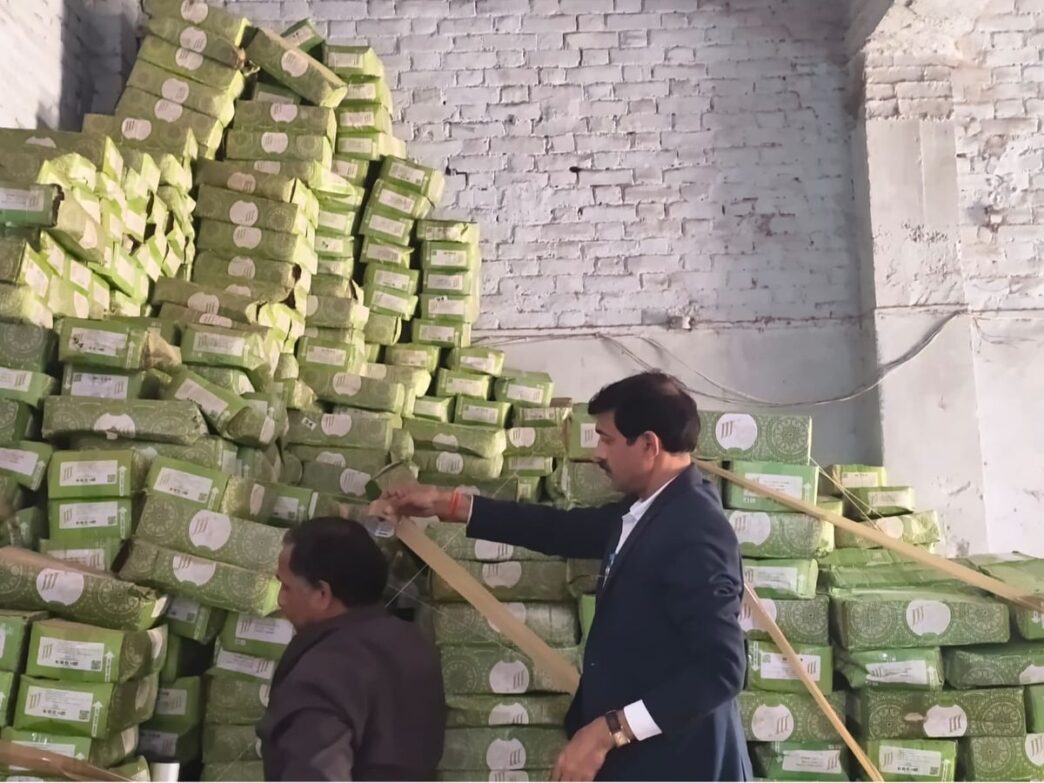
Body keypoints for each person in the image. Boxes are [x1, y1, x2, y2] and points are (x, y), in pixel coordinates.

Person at [379, 372, 752, 782]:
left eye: (607, 439)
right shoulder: (652, 509)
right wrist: (446, 503)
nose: (596, 453)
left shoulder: (695, 531)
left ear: (649, 445)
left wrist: (610, 731)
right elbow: (559, 529)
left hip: (680, 764)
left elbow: (722, 669)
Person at [257, 517, 446, 781]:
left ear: (322, 594)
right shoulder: (413, 643)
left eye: (286, 586)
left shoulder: (322, 674)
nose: (280, 599)